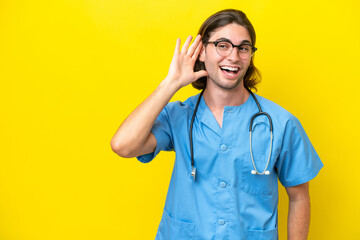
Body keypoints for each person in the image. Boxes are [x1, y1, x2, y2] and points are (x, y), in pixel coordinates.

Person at [111, 9, 323, 240]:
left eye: (243, 48)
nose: (233, 56)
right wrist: (171, 82)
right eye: (222, 45)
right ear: (201, 51)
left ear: (250, 55)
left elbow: (299, 197)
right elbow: (123, 145)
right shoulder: (179, 116)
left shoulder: (280, 123)